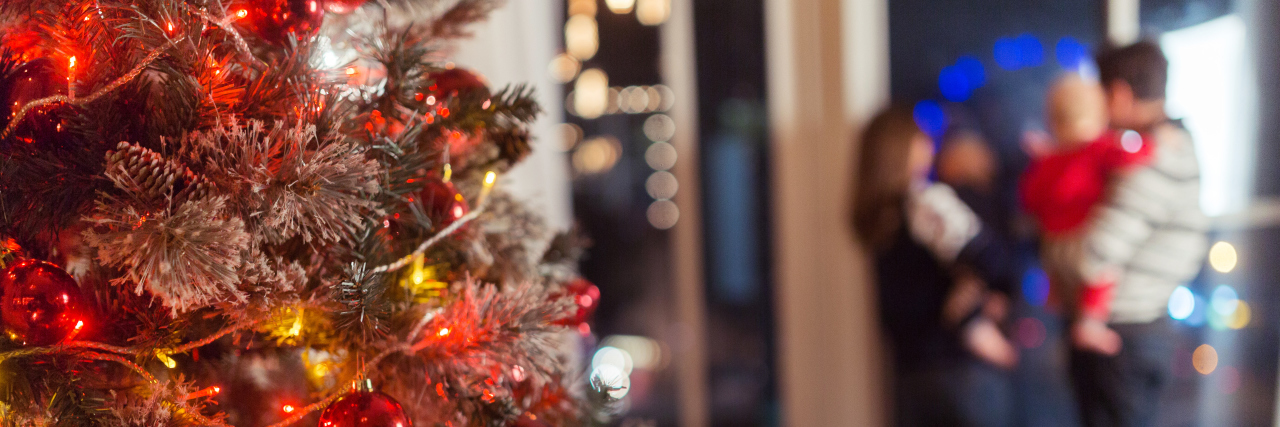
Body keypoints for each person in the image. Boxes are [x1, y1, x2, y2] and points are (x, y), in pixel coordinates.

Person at [1070, 41, 1208, 427]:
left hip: (1123, 332)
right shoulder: (1181, 144)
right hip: (1149, 322)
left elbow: (1095, 253)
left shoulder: (1155, 157)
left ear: (1119, 94)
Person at [852, 107, 1015, 427]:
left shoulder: (875, 216)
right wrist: (979, 311)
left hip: (909, 374)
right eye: (921, 139)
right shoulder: (926, 203)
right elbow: (991, 259)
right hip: (958, 372)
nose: (930, 146)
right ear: (903, 148)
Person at [1019, 74, 1155, 356]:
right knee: (1103, 273)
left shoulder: (1048, 160)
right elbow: (1129, 154)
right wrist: (1149, 143)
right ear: (1098, 111)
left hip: (1053, 243)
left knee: (1063, 282)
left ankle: (1054, 294)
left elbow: (1029, 198)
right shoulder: (1097, 147)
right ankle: (1090, 326)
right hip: (1083, 238)